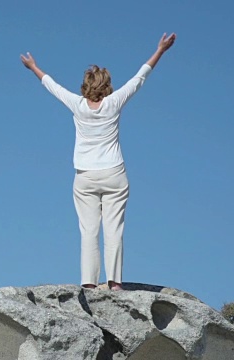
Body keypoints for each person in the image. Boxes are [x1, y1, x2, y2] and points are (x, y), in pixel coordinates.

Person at [20, 33, 176, 290]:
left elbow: (52, 86)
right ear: (107, 86)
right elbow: (139, 78)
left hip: (86, 176)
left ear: (86, 85)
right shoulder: (113, 103)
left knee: (89, 231)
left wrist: (33, 67)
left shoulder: (78, 105)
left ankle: (90, 285)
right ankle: (115, 283)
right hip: (114, 173)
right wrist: (160, 50)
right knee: (114, 229)